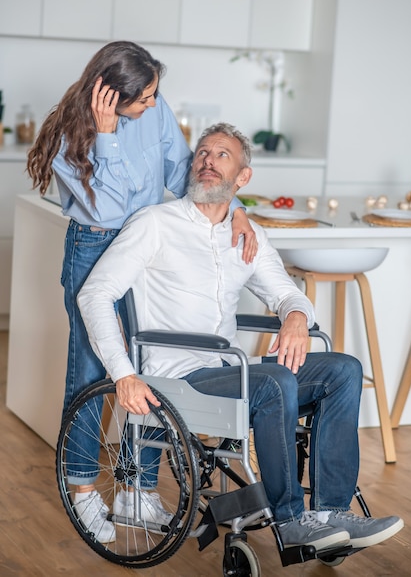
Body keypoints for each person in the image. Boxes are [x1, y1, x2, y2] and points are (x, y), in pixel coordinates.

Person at [77, 122, 403, 552]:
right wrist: (123, 373)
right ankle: (290, 523)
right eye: (202, 154)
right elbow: (95, 293)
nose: (207, 161)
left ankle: (330, 514)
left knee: (344, 369)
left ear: (242, 177)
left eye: (221, 155)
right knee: (273, 381)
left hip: (230, 372)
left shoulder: (247, 234)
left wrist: (296, 317)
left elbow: (286, 292)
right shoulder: (156, 224)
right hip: (181, 379)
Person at [26, 43, 257, 543]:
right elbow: (107, 210)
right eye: (145, 98)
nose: (154, 105)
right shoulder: (74, 136)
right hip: (95, 247)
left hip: (153, 241)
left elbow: (181, 173)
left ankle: (136, 488)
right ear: (111, 95)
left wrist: (233, 205)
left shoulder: (155, 108)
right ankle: (84, 490)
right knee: (92, 368)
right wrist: (107, 138)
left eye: (155, 94)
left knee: (153, 361)